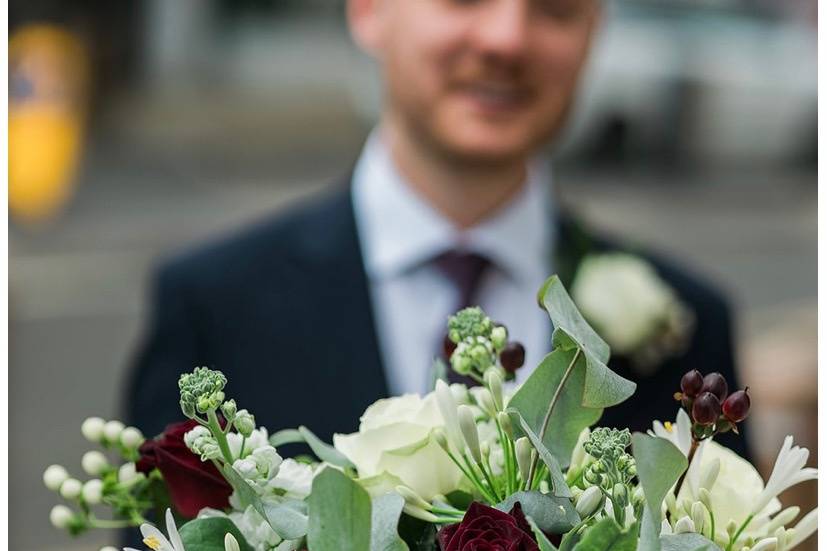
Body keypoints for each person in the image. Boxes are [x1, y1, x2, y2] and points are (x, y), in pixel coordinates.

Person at [125, 0, 747, 456]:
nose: (507, 38)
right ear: (368, 10)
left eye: (555, 9)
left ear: (595, 29)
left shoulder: (688, 326)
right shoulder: (212, 309)